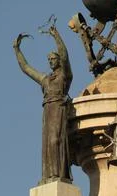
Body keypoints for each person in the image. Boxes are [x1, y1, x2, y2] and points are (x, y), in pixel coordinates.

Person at [13, 25, 73, 184]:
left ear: (58, 60)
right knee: (47, 145)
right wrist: (17, 50)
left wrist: (56, 36)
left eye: (53, 58)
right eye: (49, 60)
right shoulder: (45, 79)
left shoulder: (65, 77)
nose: (51, 61)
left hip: (59, 109)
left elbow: (66, 56)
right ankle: (48, 176)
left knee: (55, 141)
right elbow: (26, 68)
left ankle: (58, 174)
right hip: (47, 110)